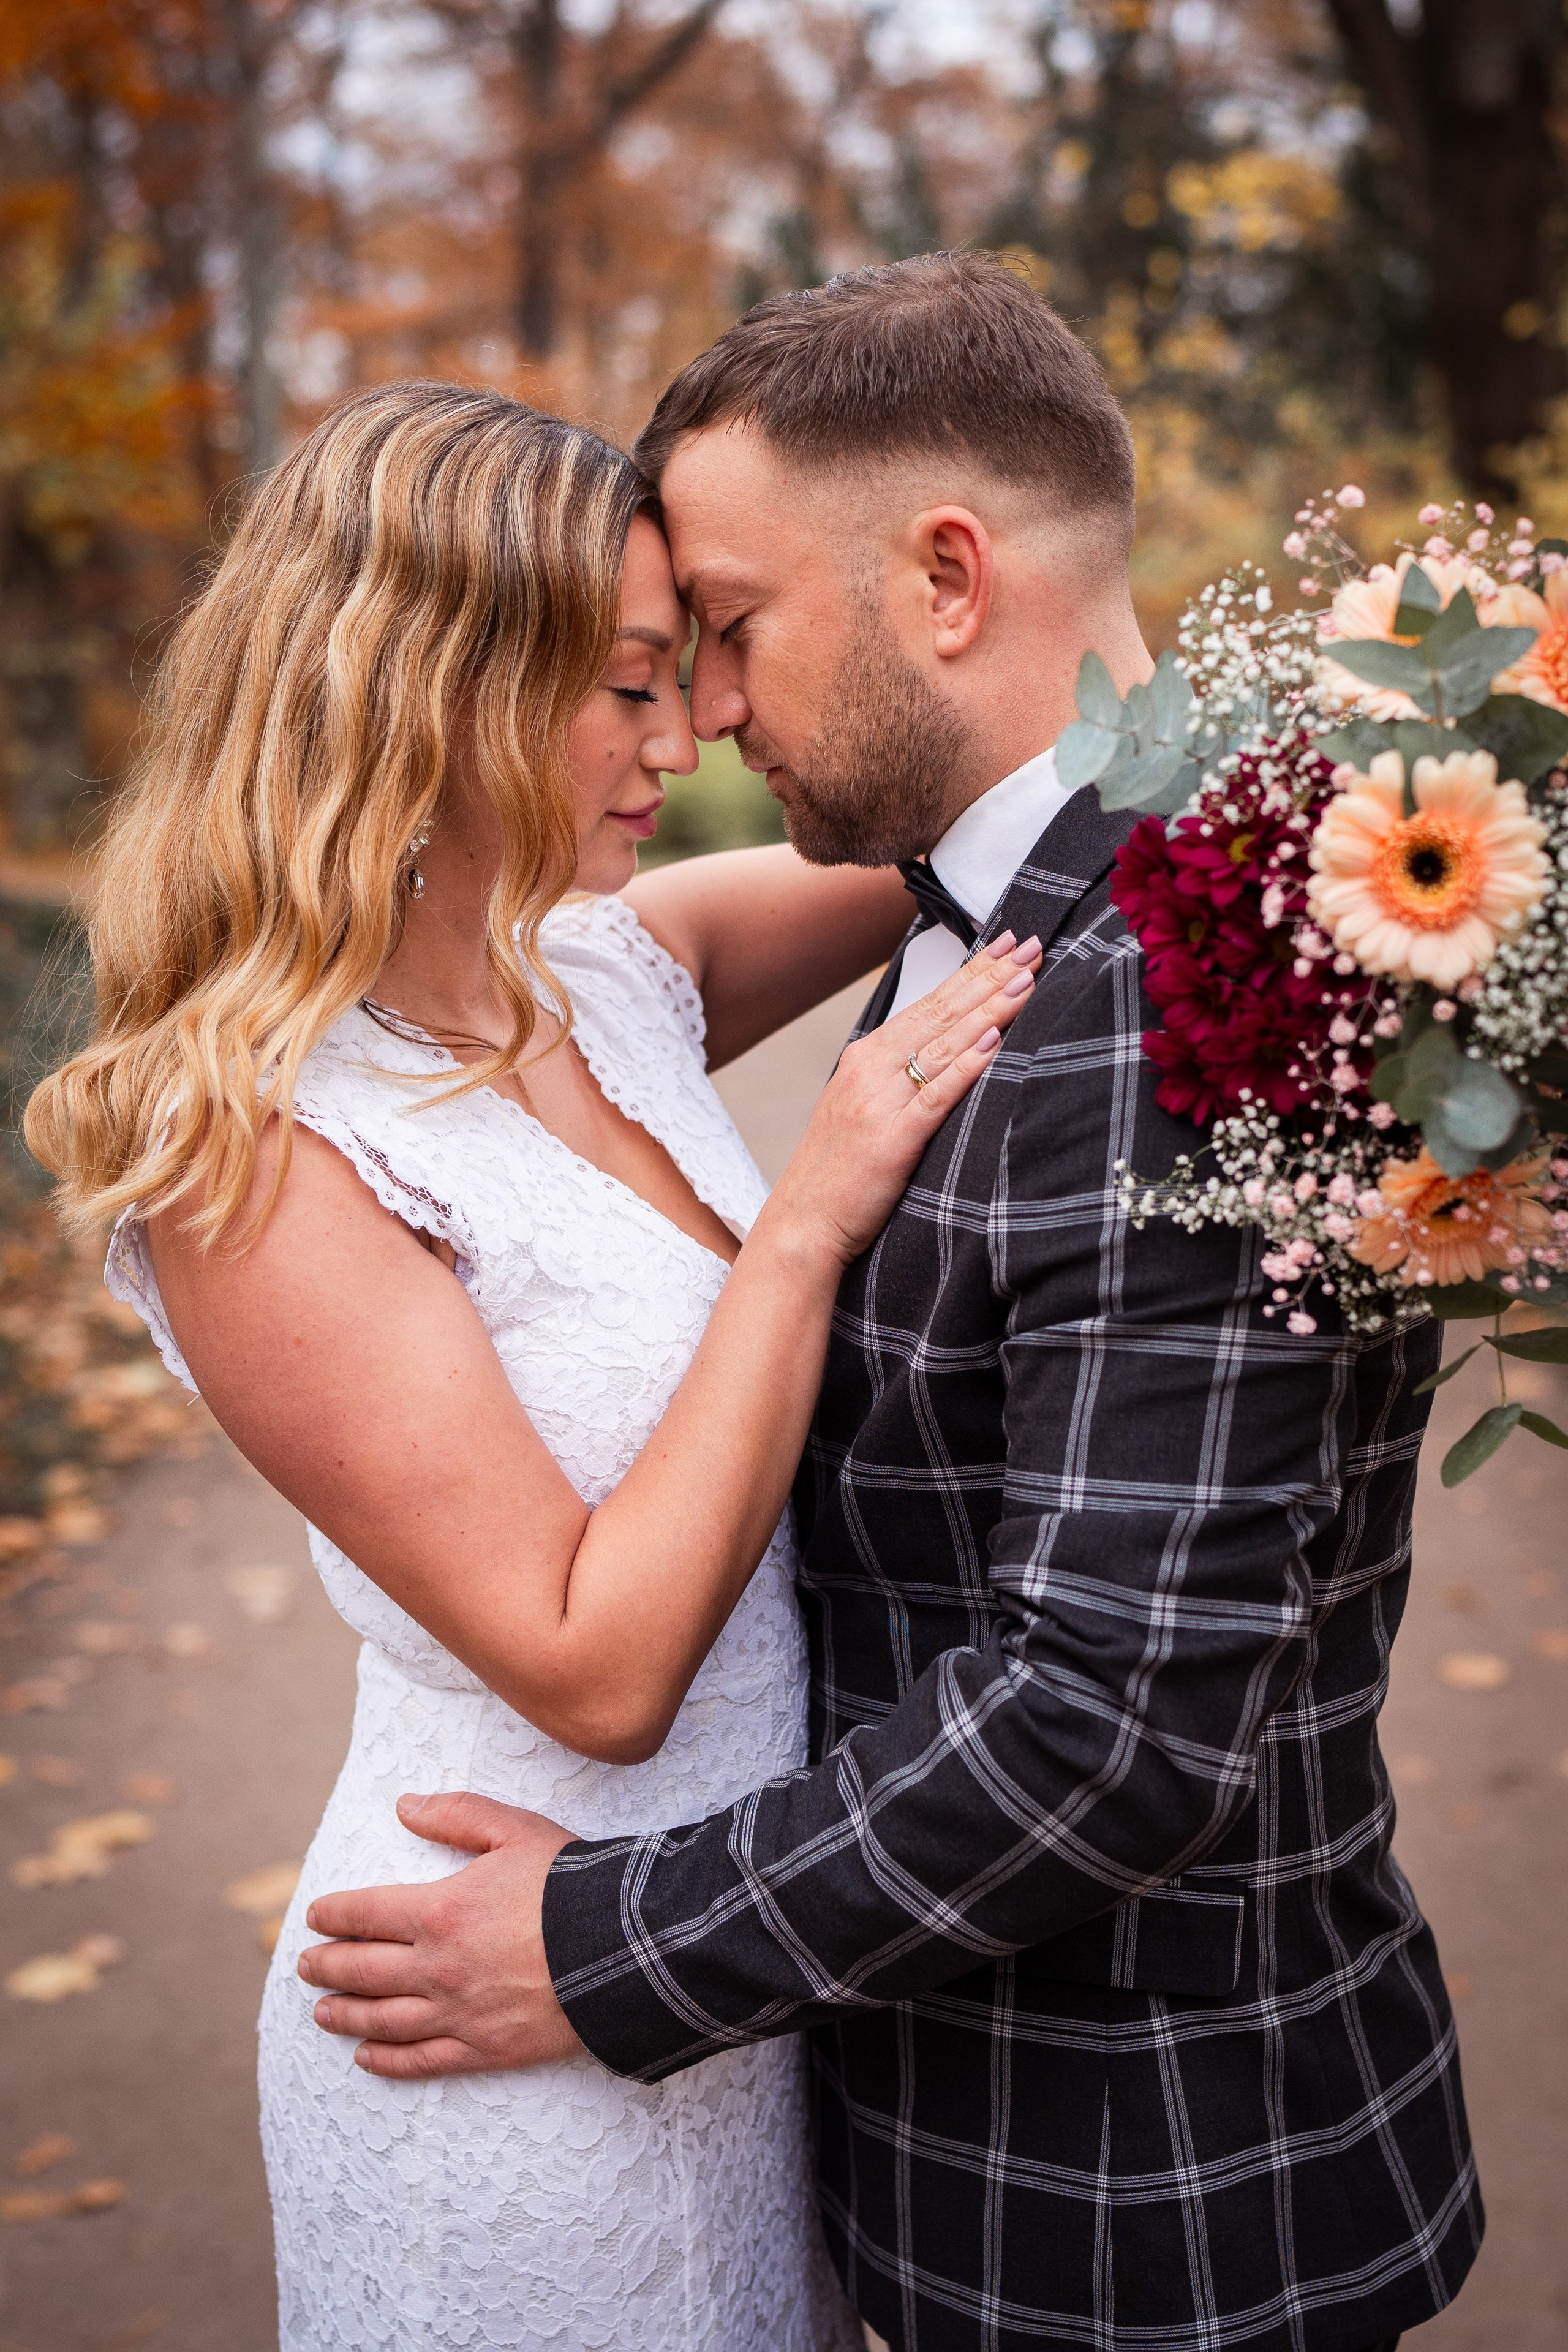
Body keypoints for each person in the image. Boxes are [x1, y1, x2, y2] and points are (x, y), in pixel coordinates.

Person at [300, 257, 1482, 2352]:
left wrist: (599, 1950)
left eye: (733, 632)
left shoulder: (1185, 983)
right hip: (916, 2124)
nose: (712, 715)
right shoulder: (1008, 898)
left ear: (948, 577)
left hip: (1138, 2206)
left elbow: (1110, 1728)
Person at [23, 376, 1044, 2352]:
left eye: (695, 673)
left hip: (743, 1977)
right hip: (495, 2017)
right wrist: (811, 1216)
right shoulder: (257, 1146)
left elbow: (990, 803)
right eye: (630, 687)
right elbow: (595, 1663)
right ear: (432, 685)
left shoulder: (610, 965)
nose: (690, 741)